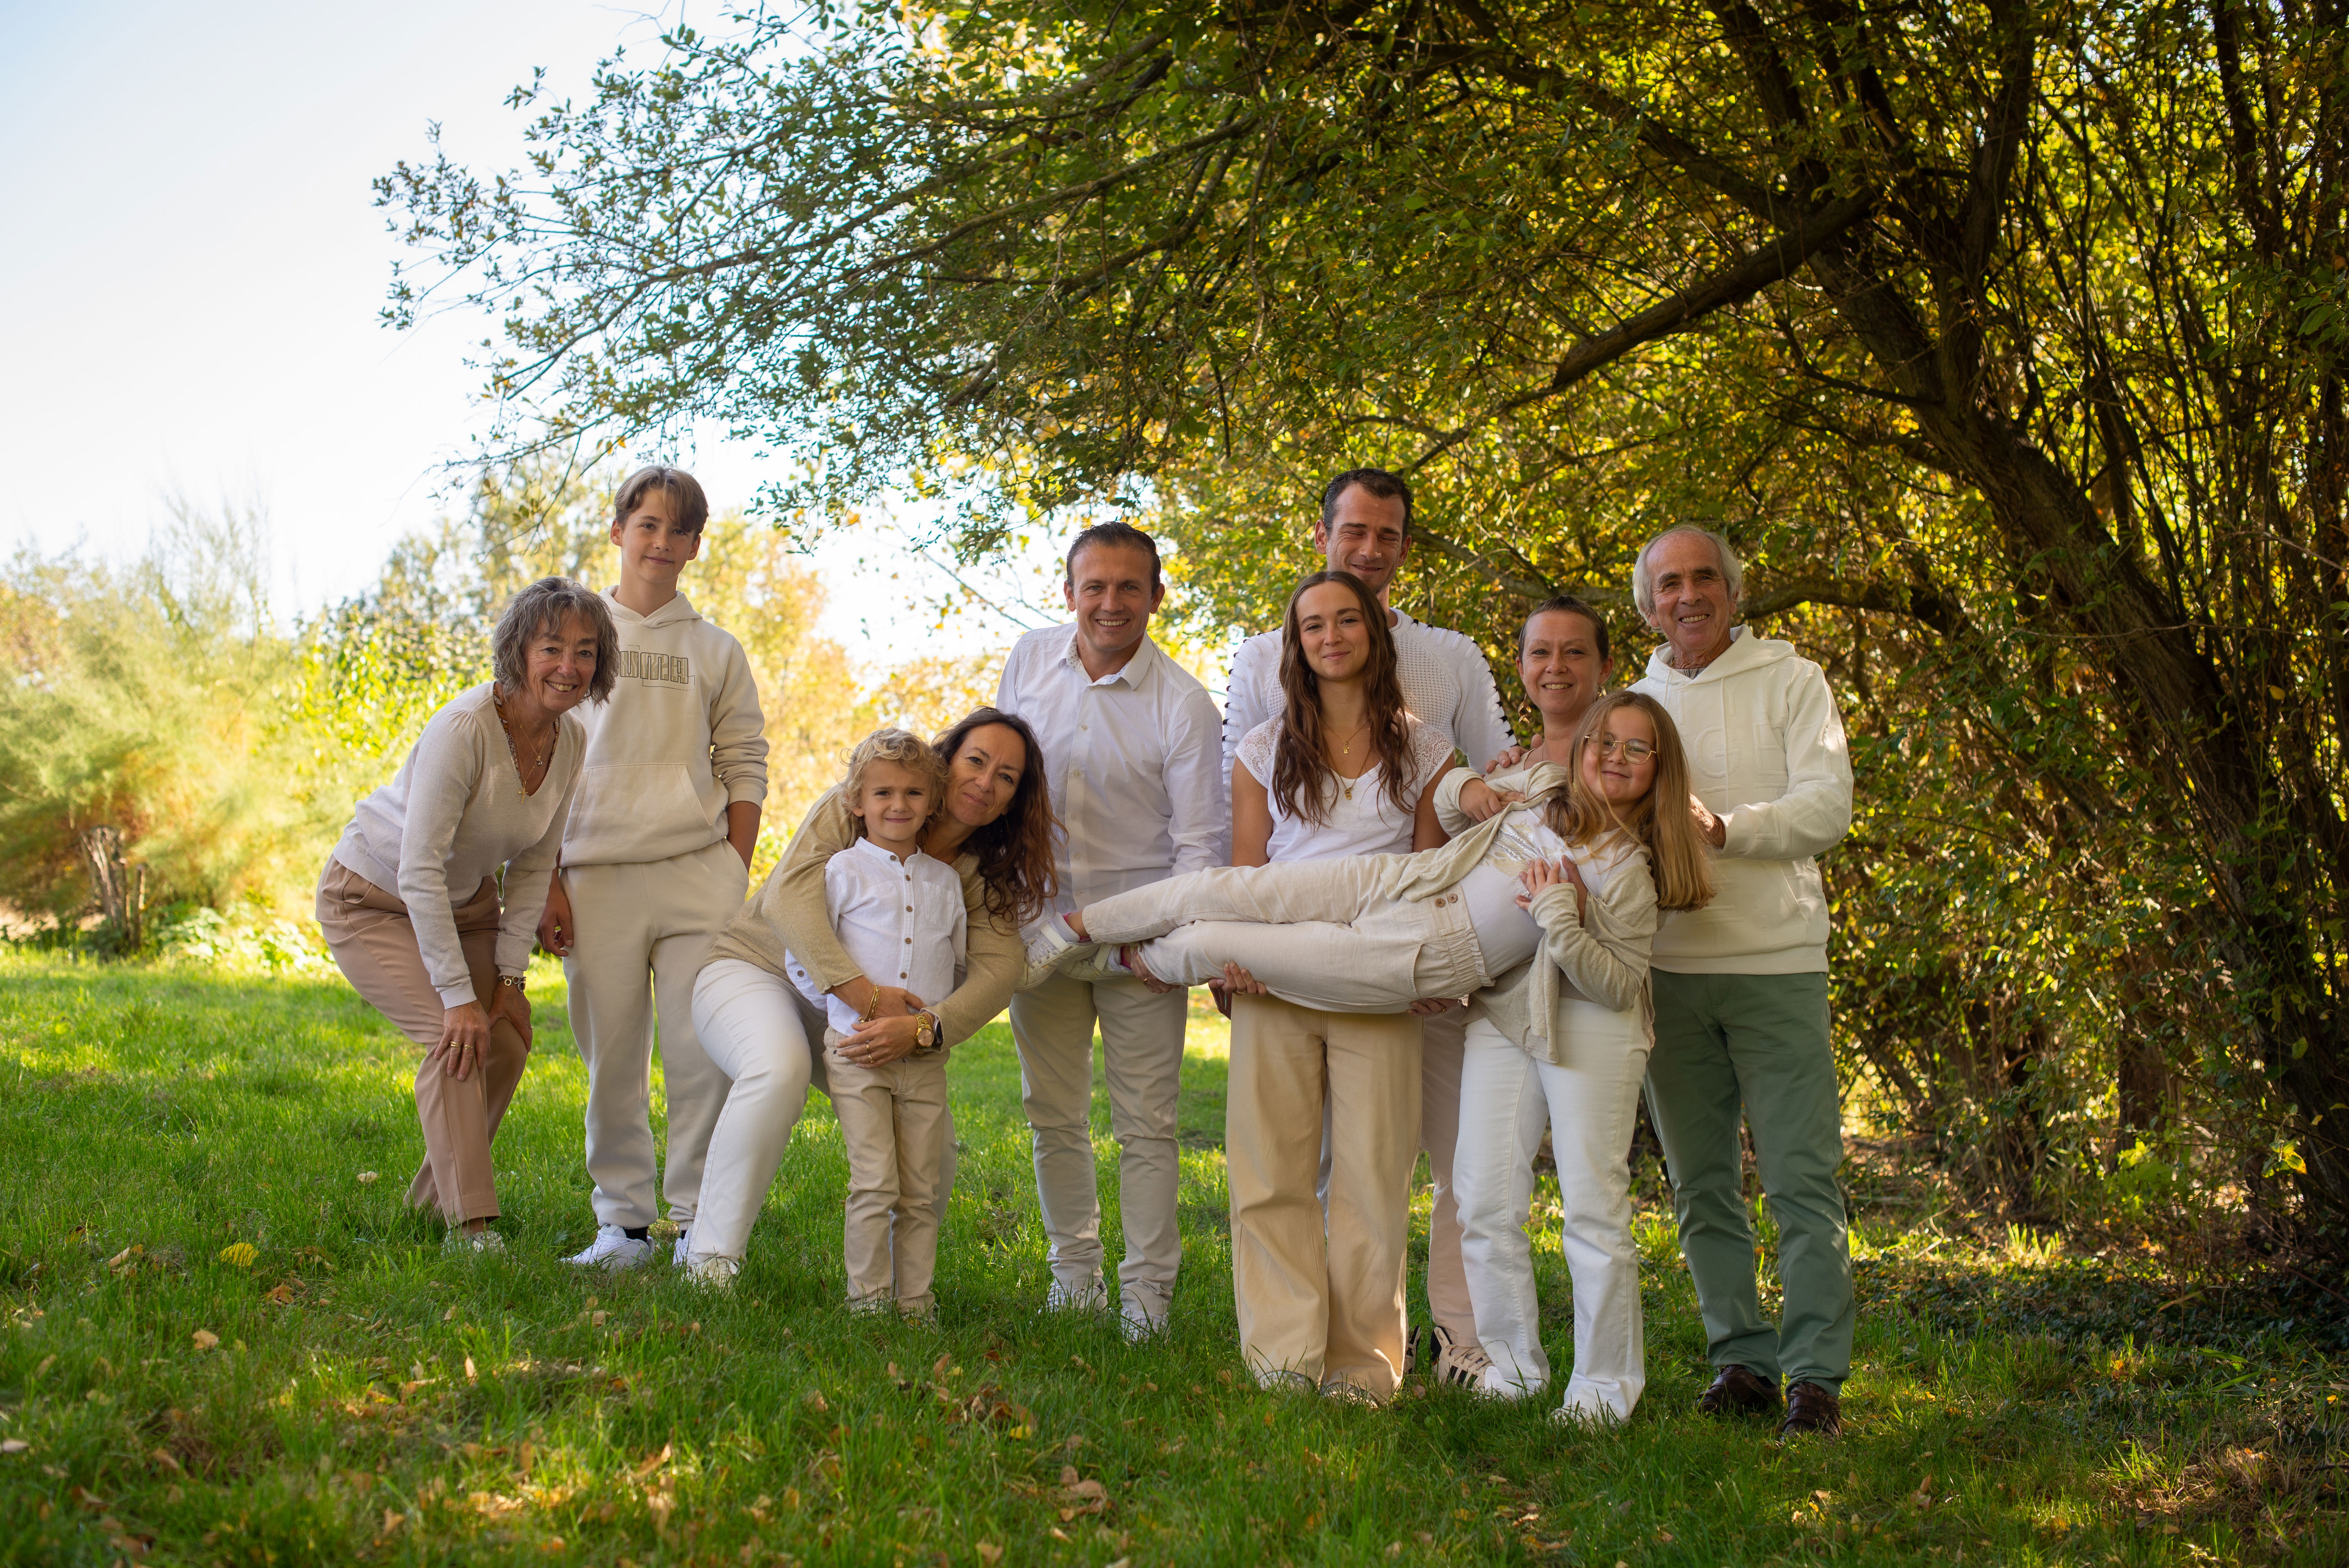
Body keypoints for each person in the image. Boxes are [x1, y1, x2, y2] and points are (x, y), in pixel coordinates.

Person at [1221, 467, 1517, 1384]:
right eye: (1313, 625)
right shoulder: (1261, 748)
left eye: (1346, 622)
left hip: (1379, 977)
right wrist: (1235, 960)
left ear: (1375, 636)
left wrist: (1427, 965)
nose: (1331, 636)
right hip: (1275, 974)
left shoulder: (1424, 746)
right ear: (1294, 644)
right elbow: (1246, 872)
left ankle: (1364, 1369)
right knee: (1269, 1176)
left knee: (1372, 1181)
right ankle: (1282, 1357)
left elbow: (1431, 870)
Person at [684, 709, 1054, 1286]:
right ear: (946, 763)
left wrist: (925, 1028)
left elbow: (999, 970)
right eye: (976, 761)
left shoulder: (980, 874)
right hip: (756, 972)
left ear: (1013, 801)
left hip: (866, 1021)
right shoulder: (870, 800)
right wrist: (870, 998)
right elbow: (788, 898)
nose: (985, 782)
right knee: (780, 1068)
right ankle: (710, 1261)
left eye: (1006, 777)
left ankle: (894, 1293)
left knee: (934, 1154)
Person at [1629, 523, 1856, 1438]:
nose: (1687, 596)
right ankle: (1741, 1362)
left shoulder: (1792, 680)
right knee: (1699, 1185)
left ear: (1731, 590)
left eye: (1703, 579)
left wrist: (1724, 828)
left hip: (1775, 964)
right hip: (1668, 972)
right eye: (1668, 584)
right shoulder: (1634, 703)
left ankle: (1815, 1379)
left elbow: (1826, 807)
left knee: (1802, 1179)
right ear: (1647, 606)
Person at [315, 578, 615, 1253]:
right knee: (455, 1039)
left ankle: (430, 1207)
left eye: (586, 652)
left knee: (505, 1039)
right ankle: (472, 1227)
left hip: (468, 904)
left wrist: (509, 981)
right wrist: (458, 997)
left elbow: (534, 866)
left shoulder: (570, 741)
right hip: (373, 897)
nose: (569, 667)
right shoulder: (465, 728)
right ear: (518, 651)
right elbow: (419, 868)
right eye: (551, 648)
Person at [1441, 691, 1712, 1423]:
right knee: (1483, 1197)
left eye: (1637, 748)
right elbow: (1450, 825)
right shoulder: (1536, 814)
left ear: (1659, 769)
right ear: (1582, 748)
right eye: (1605, 742)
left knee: (1592, 1207)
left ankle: (1602, 1391)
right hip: (1506, 1013)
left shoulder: (1634, 868)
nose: (1616, 758)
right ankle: (1512, 1371)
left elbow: (1616, 985)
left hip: (1595, 1024)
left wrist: (1560, 915)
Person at [996, 521, 1227, 1337]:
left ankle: (1147, 1297)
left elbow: (1199, 850)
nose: (1110, 602)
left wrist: (1165, 947)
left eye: (1130, 586)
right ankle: (1073, 1275)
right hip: (1039, 935)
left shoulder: (1184, 705)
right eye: (1093, 586)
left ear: (1157, 597)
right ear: (1068, 593)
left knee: (1147, 1127)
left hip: (1140, 952)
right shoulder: (1029, 661)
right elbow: (998, 785)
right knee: (1052, 1114)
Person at [541, 466, 769, 1273]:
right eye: (647, 524)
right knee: (613, 1057)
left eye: (679, 530)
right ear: (618, 532)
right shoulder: (575, 639)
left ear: (695, 546)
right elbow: (537, 755)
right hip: (593, 874)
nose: (661, 542)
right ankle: (624, 1228)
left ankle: (697, 1226)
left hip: (694, 877)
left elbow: (744, 761)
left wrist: (732, 868)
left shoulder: (715, 648)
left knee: (700, 1056)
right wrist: (547, 877)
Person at [788, 729, 966, 1320]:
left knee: (921, 1188)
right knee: (874, 1182)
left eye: (913, 793)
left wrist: (929, 1022)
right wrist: (851, 1015)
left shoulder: (944, 882)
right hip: (857, 1055)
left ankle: (915, 1303)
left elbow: (957, 964)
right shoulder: (842, 871)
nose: (898, 805)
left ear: (932, 802)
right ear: (856, 802)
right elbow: (803, 959)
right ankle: (866, 1303)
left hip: (923, 1061)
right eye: (883, 793)